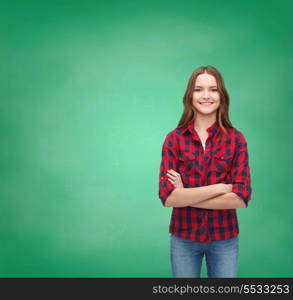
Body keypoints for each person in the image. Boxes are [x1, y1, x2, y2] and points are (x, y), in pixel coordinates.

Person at [158, 65, 252, 278]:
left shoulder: (236, 139)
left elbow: (241, 198)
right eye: (199, 89)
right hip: (183, 239)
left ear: (222, 96)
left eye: (213, 89)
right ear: (190, 96)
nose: (206, 95)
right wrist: (220, 188)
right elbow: (168, 197)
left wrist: (186, 196)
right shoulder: (174, 139)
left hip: (224, 239)